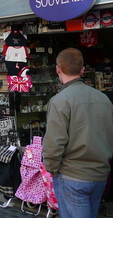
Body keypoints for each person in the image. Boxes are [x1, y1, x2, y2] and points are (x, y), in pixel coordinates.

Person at [43, 48, 113, 218]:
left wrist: (51, 168)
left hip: (71, 176)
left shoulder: (60, 100)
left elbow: (54, 142)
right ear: (82, 70)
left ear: (58, 69)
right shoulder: (103, 99)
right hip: (99, 174)